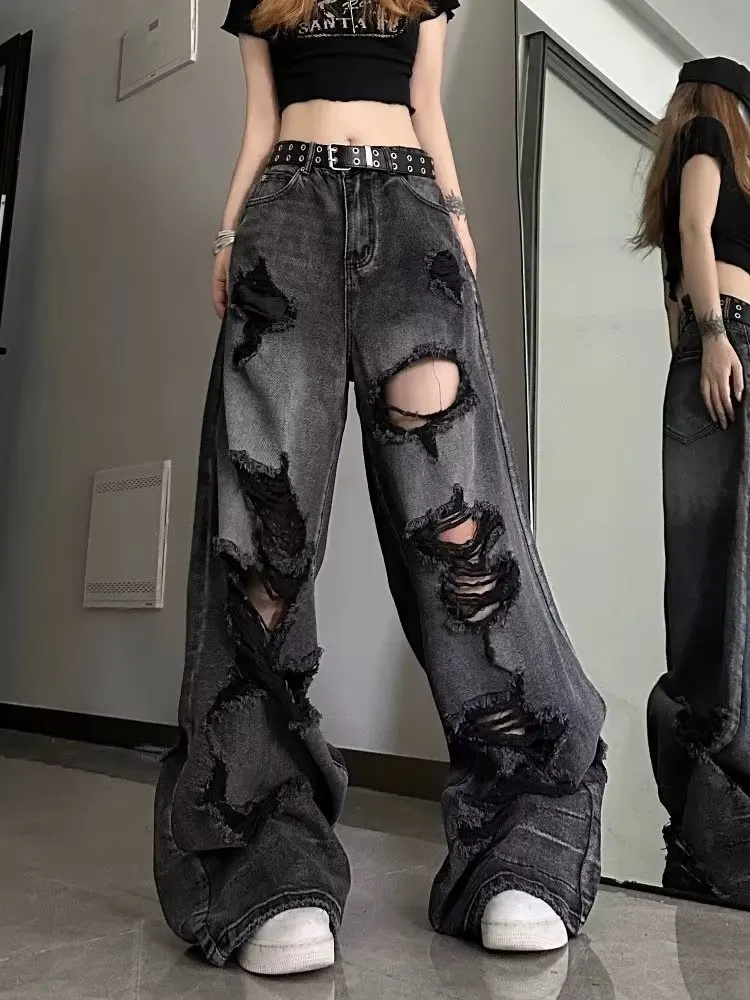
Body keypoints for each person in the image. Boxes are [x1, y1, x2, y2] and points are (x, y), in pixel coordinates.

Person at [154, 0, 606, 976]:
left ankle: (523, 826)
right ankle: (261, 851)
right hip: (287, 214)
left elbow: (426, 106)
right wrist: (229, 236)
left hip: (408, 209)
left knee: (460, 525)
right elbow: (260, 118)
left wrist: (456, 219)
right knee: (260, 537)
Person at [634, 56, 750, 902]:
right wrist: (715, 340)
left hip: (715, 346)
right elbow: (696, 232)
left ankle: (710, 823)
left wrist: (696, 344)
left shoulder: (687, 154)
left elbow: (672, 287)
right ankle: (713, 826)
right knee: (715, 587)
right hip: (730, 340)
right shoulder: (711, 134)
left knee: (716, 583)